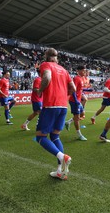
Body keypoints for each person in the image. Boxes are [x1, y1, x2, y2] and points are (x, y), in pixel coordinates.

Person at [36, 48, 74, 180]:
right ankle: (60, 171)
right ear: (56, 57)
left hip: (51, 105)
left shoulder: (45, 65)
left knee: (40, 137)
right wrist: (64, 96)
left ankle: (62, 157)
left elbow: (47, 77)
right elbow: (73, 88)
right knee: (55, 136)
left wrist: (40, 91)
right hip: (63, 106)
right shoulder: (64, 70)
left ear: (46, 56)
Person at [65, 65, 88, 141]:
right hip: (74, 101)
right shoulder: (76, 78)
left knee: (82, 114)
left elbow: (80, 90)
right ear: (79, 71)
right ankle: (79, 135)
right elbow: (73, 90)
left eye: (85, 70)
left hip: (78, 100)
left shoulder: (81, 78)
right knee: (77, 118)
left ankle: (68, 122)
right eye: (83, 71)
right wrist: (76, 100)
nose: (85, 72)